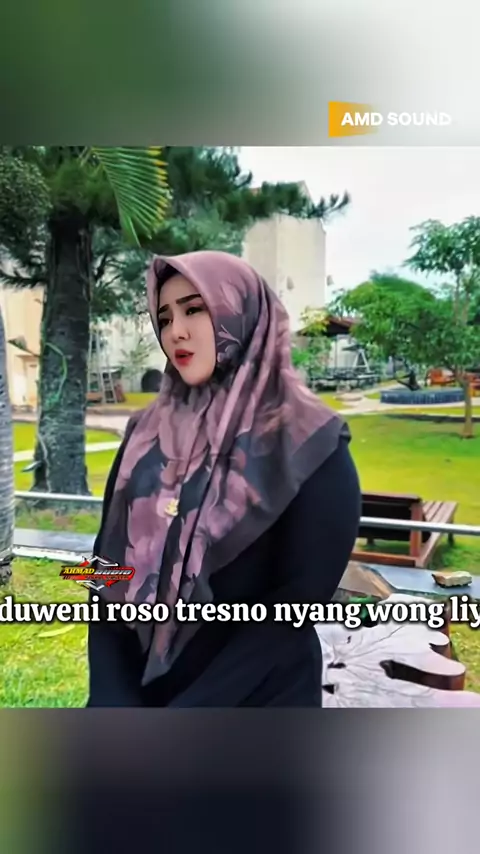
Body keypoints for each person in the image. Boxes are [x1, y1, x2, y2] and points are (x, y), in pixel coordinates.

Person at [86, 250, 361, 707]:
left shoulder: (311, 445)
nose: (176, 331)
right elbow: (106, 571)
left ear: (243, 314)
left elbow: (293, 608)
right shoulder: (144, 435)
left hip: (257, 706)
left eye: (194, 309)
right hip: (138, 699)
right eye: (164, 317)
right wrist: (111, 699)